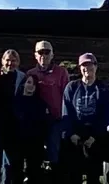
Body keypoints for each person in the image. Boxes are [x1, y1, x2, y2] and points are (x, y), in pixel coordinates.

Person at [62, 53, 109, 184]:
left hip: (95, 136)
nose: (87, 68)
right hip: (75, 135)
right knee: (74, 174)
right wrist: (71, 134)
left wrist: (94, 136)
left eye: (90, 65)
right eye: (84, 65)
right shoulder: (72, 87)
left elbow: (106, 115)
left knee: (93, 174)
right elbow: (66, 112)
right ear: (80, 68)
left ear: (96, 67)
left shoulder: (103, 89)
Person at [0, 49, 28, 184]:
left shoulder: (22, 77)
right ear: (2, 61)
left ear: (18, 62)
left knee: (9, 162)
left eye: (13, 61)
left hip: (13, 126)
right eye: (8, 60)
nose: (10, 63)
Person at [28, 40, 70, 173]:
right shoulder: (30, 73)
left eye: (47, 52)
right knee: (34, 156)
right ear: (35, 55)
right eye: (40, 52)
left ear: (52, 55)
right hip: (36, 122)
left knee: (54, 155)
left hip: (56, 121)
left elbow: (67, 97)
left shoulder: (61, 72)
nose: (44, 55)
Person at [9, 72, 51, 184]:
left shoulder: (41, 104)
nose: (31, 85)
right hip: (17, 143)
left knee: (34, 172)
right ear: (23, 84)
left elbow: (44, 124)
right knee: (15, 173)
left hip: (35, 144)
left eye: (34, 84)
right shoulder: (15, 102)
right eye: (29, 82)